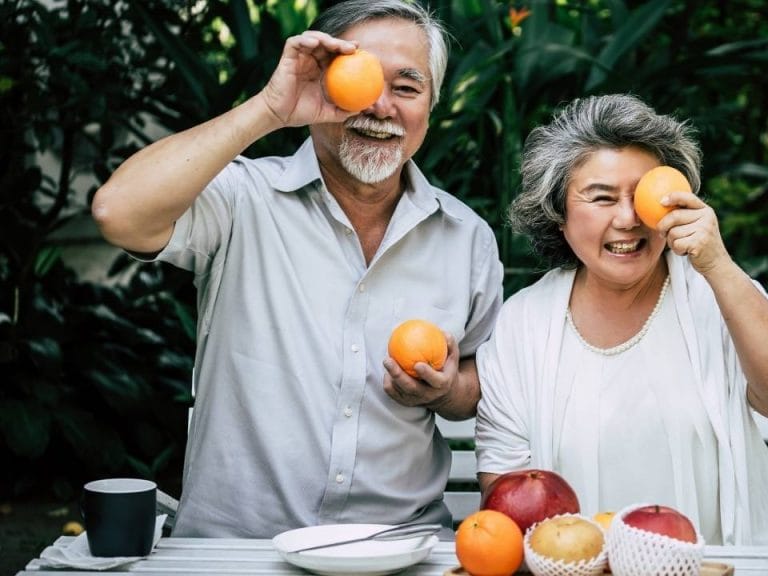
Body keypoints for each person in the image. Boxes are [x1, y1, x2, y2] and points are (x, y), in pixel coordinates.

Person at [91, 0, 503, 538]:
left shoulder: (465, 236)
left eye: (406, 88)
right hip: (237, 553)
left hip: (398, 547)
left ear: (431, 105)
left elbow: (481, 383)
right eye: (361, 81)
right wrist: (269, 108)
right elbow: (117, 213)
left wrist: (445, 391)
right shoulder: (243, 200)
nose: (380, 106)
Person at [474, 94, 768, 546]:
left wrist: (717, 264)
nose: (628, 219)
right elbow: (508, 495)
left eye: (642, 196)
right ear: (559, 213)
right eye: (601, 198)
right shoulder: (523, 323)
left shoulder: (714, 294)